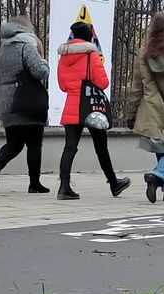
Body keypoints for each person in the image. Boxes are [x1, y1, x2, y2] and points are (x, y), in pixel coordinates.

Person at [55, 21, 131, 200]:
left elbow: (63, 86)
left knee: (69, 148)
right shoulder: (92, 56)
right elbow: (103, 83)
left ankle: (64, 187)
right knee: (101, 148)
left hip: (72, 107)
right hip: (91, 107)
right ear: (89, 37)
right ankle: (114, 183)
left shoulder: (64, 57)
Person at [125, 13, 164, 203]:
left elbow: (136, 87)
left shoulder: (143, 55)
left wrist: (131, 113)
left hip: (151, 110)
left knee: (163, 148)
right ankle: (156, 175)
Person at [0, 16, 51, 193]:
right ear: (25, 29)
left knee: (13, 144)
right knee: (34, 144)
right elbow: (41, 71)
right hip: (27, 102)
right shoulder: (26, 47)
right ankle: (34, 184)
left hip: (7, 103)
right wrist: (45, 62)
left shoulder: (0, 51)